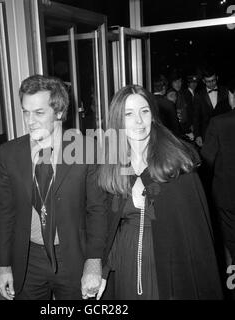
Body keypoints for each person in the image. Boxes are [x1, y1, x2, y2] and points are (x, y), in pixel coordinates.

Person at [96, 84, 223, 300]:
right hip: (127, 263)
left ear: (153, 116)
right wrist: (104, 270)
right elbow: (110, 225)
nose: (138, 121)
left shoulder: (176, 162)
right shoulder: (113, 164)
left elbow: (195, 236)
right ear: (118, 121)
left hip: (168, 264)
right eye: (129, 114)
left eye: (144, 111)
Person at [0, 74, 107, 300]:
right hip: (27, 258)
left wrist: (94, 263)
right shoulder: (9, 153)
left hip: (73, 256)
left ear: (58, 112)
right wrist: (3, 265)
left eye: (38, 112)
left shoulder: (86, 150)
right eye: (25, 112)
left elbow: (98, 210)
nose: (29, 120)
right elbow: (4, 212)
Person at [201, 79, 235, 265]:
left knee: (231, 242)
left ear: (231, 95)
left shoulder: (219, 123)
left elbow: (206, 164)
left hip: (227, 197)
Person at [193, 67, 230, 148]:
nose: (211, 84)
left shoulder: (225, 91)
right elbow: (196, 117)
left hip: (224, 132)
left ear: (217, 78)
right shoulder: (199, 95)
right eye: (208, 82)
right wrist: (197, 135)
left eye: (213, 80)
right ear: (203, 81)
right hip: (206, 133)